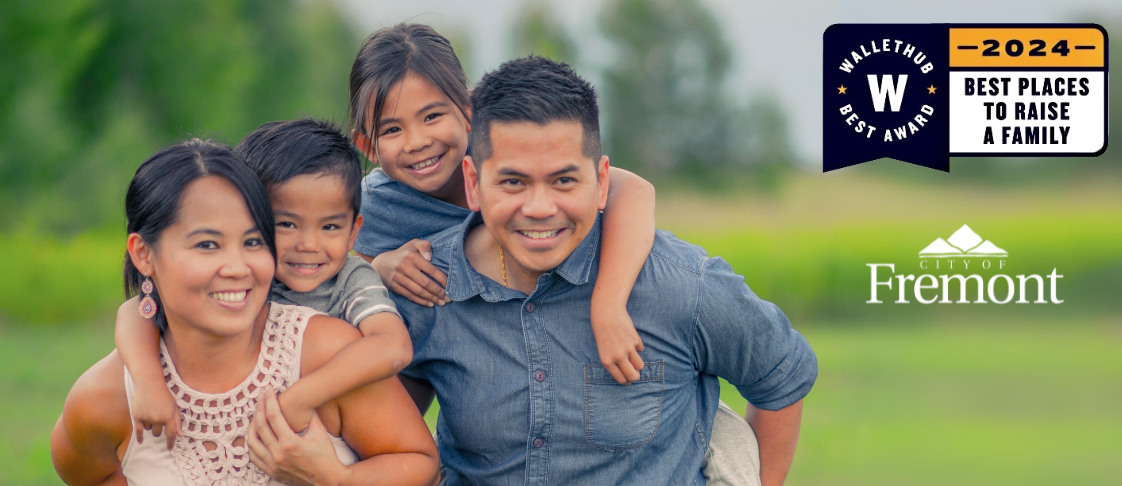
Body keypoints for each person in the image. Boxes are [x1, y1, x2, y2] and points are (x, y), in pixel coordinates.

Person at [391, 56, 818, 485]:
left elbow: (781, 376)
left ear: (601, 181)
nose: (539, 209)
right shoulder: (424, 289)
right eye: (513, 182)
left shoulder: (681, 285)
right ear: (472, 183)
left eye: (563, 181)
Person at [50, 139, 438, 485]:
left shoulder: (329, 352)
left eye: (253, 241)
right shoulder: (108, 395)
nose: (238, 267)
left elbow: (421, 464)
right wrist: (148, 380)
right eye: (206, 245)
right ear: (143, 254)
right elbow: (86, 473)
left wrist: (335, 479)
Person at [347, 23, 654, 386]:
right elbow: (345, 281)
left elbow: (633, 189)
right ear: (368, 147)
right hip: (467, 354)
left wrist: (608, 305)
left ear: (469, 111)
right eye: (392, 130)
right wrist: (379, 268)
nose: (417, 141)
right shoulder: (377, 205)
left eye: (432, 117)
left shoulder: (501, 156)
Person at [114, 119, 415, 442]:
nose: (309, 245)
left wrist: (303, 396)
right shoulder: (254, 276)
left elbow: (393, 346)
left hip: (336, 436)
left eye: (329, 227)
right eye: (286, 224)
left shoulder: (351, 280)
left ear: (354, 231)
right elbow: (139, 309)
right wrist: (147, 381)